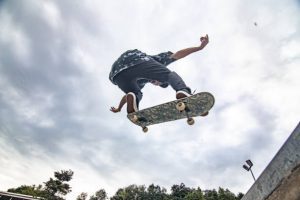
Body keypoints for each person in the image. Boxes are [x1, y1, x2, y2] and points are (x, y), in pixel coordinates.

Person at [109, 34, 209, 114]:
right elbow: (178, 54)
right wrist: (199, 47)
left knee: (135, 93)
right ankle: (183, 91)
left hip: (116, 75)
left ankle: (134, 109)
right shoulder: (158, 60)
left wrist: (119, 108)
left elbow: (127, 96)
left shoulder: (141, 82)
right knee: (169, 75)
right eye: (159, 82)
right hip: (136, 59)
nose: (156, 83)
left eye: (157, 84)